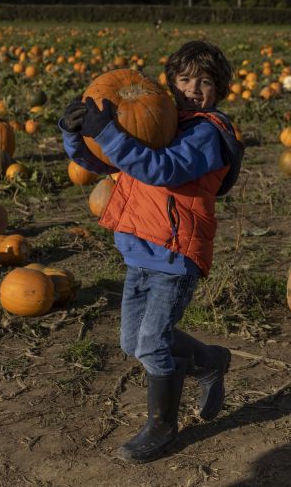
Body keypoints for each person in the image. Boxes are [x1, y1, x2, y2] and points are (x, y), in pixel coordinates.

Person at [60, 40, 244, 463]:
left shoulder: (205, 134)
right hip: (138, 250)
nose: (193, 89)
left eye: (205, 82)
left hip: (176, 257)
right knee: (132, 342)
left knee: (152, 345)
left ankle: (162, 427)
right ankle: (211, 361)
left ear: (220, 90)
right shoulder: (159, 119)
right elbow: (108, 163)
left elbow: (161, 168)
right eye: (184, 80)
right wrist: (75, 134)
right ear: (170, 82)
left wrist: (107, 130)